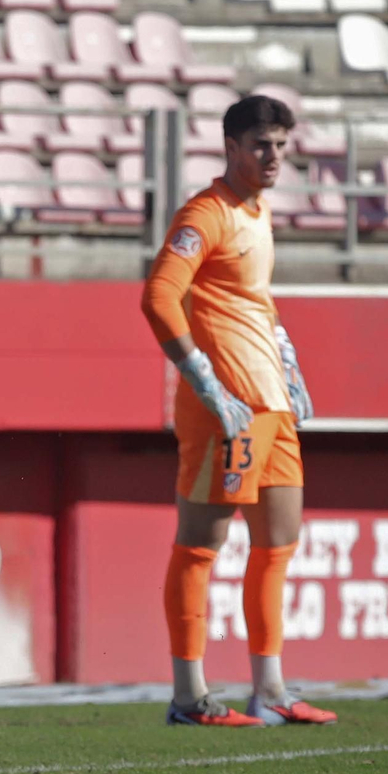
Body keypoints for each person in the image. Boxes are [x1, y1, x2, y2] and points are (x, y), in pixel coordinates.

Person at [139, 95, 337, 728]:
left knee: (278, 543)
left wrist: (289, 363)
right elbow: (159, 296)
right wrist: (203, 379)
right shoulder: (206, 213)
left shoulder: (258, 211)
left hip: (270, 402)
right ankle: (188, 697)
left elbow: (256, 300)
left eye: (280, 145)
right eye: (261, 145)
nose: (273, 156)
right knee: (201, 545)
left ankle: (270, 690)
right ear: (230, 147)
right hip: (224, 408)